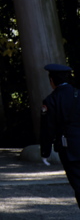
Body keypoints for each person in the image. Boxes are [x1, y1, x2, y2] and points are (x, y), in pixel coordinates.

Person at [40, 63, 80, 208]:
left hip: (68, 147)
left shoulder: (51, 100)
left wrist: (45, 151)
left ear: (52, 80)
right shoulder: (78, 94)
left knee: (77, 183)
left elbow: (47, 128)